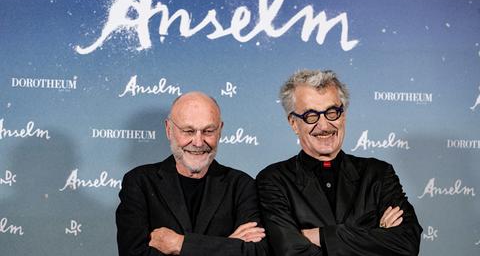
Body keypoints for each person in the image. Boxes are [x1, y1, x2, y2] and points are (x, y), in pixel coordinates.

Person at [256, 70, 422, 256]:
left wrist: (321, 236)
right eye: (311, 116)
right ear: (294, 123)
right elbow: (290, 251)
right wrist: (376, 236)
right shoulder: (273, 180)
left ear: (343, 115)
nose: (324, 125)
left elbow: (407, 244)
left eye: (332, 112)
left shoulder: (379, 174)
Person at [116, 92, 269, 256]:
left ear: (220, 131)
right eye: (188, 131)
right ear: (169, 130)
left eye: (208, 131)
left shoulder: (241, 185)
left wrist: (179, 243)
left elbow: (257, 252)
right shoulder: (140, 182)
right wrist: (228, 245)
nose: (198, 142)